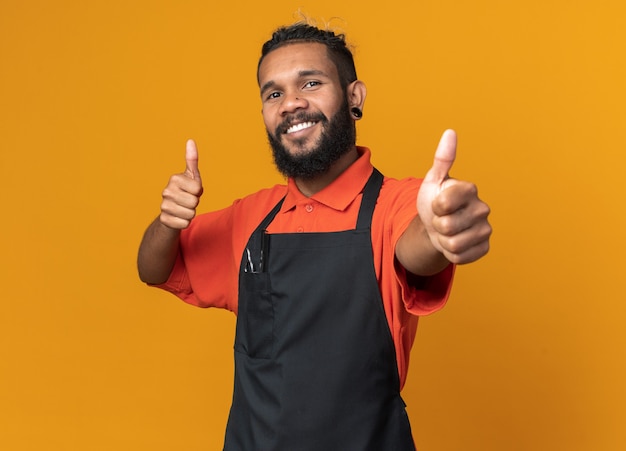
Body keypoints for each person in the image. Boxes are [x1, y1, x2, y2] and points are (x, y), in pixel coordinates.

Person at [137, 21, 491, 451]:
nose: (291, 104)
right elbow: (153, 269)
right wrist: (169, 222)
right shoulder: (251, 217)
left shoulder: (398, 202)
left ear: (354, 96)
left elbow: (417, 245)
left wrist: (441, 230)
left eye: (311, 82)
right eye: (274, 94)